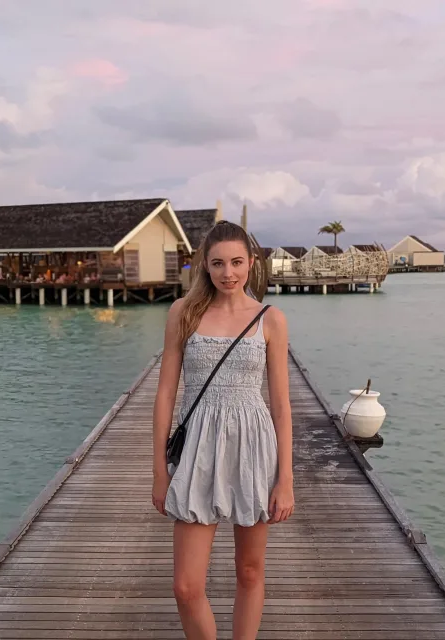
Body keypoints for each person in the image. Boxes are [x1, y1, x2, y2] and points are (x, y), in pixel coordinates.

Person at [152, 220, 294, 639]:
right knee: (186, 586)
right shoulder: (184, 311)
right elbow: (165, 395)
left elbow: (282, 406)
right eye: (218, 264)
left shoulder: (271, 319)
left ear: (251, 263)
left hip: (254, 447)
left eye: (236, 262)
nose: (228, 273)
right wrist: (160, 471)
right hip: (196, 449)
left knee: (250, 572)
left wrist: (285, 479)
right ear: (204, 266)